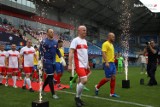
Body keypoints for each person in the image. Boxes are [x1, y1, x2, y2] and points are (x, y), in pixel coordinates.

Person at [68, 25, 91, 107]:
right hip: (79, 64)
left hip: (84, 65)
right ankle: (77, 97)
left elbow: (85, 54)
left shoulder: (85, 41)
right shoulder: (75, 40)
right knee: (84, 80)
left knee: (80, 81)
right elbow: (71, 52)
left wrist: (87, 64)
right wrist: (70, 65)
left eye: (86, 30)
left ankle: (79, 99)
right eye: (84, 30)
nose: (85, 32)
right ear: (79, 31)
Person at [39, 28, 62, 99]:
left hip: (54, 62)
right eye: (51, 32)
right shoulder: (43, 42)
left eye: (53, 32)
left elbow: (57, 51)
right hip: (47, 61)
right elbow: (40, 52)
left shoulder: (55, 42)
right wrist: (40, 61)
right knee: (51, 77)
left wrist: (61, 58)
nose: (52, 33)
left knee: (49, 76)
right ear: (47, 33)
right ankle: (53, 94)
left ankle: (42, 89)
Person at [95, 32, 120, 97]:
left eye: (114, 37)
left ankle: (112, 93)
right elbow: (103, 53)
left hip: (113, 63)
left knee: (113, 77)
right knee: (108, 79)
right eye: (113, 37)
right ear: (109, 37)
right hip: (108, 63)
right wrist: (106, 62)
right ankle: (97, 87)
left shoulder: (111, 45)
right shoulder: (105, 44)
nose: (114, 38)